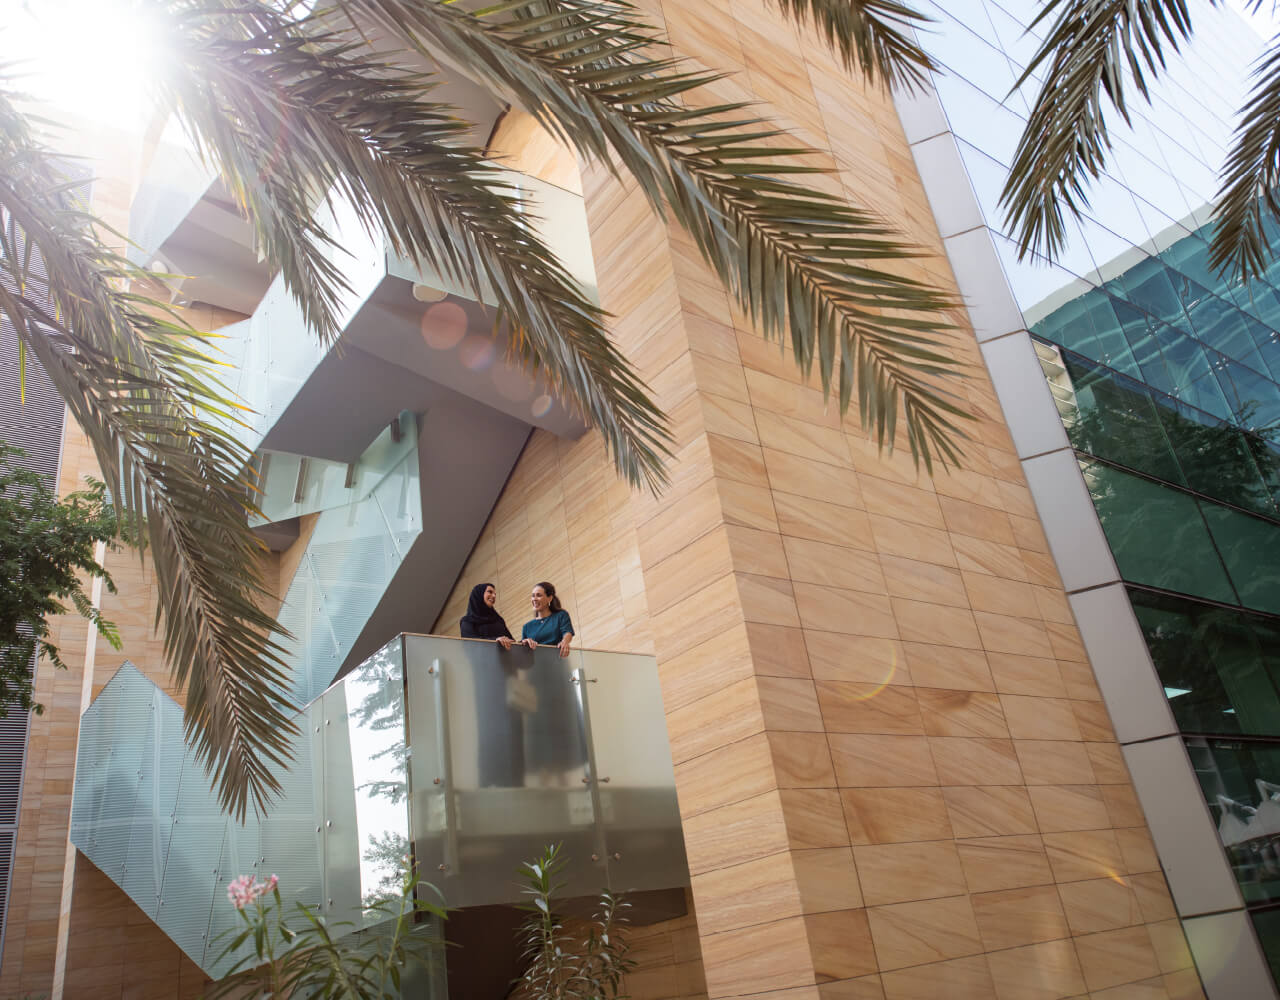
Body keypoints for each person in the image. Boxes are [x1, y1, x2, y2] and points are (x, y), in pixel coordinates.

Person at [519, 582, 585, 785]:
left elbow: (567, 632)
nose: (535, 599)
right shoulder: (527, 627)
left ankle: (562, 773)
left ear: (549, 598)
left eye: (539, 595)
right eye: (532, 596)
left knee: (560, 720)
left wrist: (565, 642)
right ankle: (544, 774)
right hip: (536, 678)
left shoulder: (560, 616)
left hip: (556, 676)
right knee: (539, 723)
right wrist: (525, 644)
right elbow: (522, 655)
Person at [458, 583, 522, 787]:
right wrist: (495, 641)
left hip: (508, 679)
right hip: (487, 682)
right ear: (478, 595)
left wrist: (524, 644)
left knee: (513, 726)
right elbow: (470, 647)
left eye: (495, 592)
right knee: (491, 727)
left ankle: (515, 779)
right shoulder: (467, 621)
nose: (493, 595)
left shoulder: (498, 619)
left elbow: (512, 644)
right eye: (489, 592)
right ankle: (491, 780)